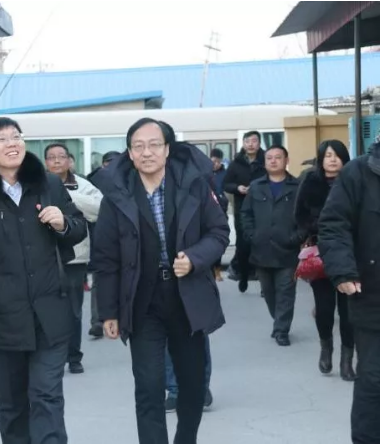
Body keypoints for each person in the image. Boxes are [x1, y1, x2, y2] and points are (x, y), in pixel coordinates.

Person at [0, 117, 86, 444]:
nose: (12, 144)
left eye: (16, 136)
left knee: (47, 395)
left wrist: (63, 223)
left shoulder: (48, 184)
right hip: (4, 318)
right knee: (13, 405)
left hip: (50, 311)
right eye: (1, 139)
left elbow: (79, 227)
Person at [92, 118, 229, 444]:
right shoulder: (116, 195)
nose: (147, 152)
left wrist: (194, 258)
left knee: (192, 383)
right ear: (129, 153)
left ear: (167, 149)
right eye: (138, 146)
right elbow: (106, 258)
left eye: (154, 145)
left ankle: (185, 439)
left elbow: (219, 232)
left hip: (187, 296)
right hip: (142, 300)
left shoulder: (194, 185)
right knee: (149, 385)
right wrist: (107, 312)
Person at [318, 139, 380, 444]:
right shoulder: (358, 173)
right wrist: (343, 270)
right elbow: (333, 224)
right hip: (373, 296)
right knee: (374, 379)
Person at [294, 140, 354, 380]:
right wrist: (311, 231)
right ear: (320, 159)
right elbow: (299, 214)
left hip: (351, 252)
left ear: (344, 158)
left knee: (349, 310)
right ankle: (326, 347)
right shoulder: (310, 181)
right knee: (325, 307)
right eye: (327, 155)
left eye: (336, 155)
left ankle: (347, 360)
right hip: (321, 251)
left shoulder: (354, 180)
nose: (332, 159)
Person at [45, 143, 104, 371]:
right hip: (44, 256)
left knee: (73, 311)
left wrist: (65, 194)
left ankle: (74, 356)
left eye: (61, 157)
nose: (57, 161)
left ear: (70, 161)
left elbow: (98, 209)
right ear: (45, 162)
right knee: (49, 310)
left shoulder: (82, 185)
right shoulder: (36, 184)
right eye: (51, 157)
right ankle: (52, 356)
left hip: (75, 257)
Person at [241, 144, 304, 346]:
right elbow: (246, 214)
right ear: (265, 162)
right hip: (262, 250)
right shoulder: (256, 186)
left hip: (287, 251)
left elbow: (306, 216)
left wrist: (296, 238)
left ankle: (281, 330)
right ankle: (279, 320)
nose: (273, 161)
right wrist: (252, 235)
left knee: (286, 292)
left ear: (287, 161)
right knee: (269, 293)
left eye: (278, 157)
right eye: (269, 158)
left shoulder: (297, 187)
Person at [223, 131, 266, 292]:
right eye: (247, 141)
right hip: (242, 209)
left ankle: (264, 283)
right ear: (243, 143)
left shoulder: (266, 161)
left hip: (263, 208)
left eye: (254, 141)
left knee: (262, 244)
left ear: (259, 143)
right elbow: (226, 184)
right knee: (243, 244)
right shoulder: (236, 163)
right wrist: (237, 188)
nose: (251, 144)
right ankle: (243, 276)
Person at [210, 148, 229, 282]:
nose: (215, 164)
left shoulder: (226, 174)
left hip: (221, 213)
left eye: (218, 161)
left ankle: (217, 270)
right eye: (213, 161)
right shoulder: (204, 173)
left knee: (219, 242)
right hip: (207, 213)